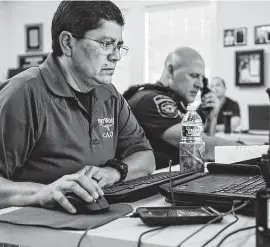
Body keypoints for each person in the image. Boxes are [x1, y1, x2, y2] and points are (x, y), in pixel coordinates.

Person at [0, 1, 155, 214]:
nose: (116, 56)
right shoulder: (23, 93)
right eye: (105, 43)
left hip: (92, 220)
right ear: (67, 43)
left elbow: (145, 156)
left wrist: (113, 172)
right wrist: (42, 193)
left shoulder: (108, 93)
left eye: (118, 45)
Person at [123, 47, 240, 170]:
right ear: (170, 71)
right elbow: (202, 146)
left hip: (171, 179)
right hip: (153, 184)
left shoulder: (175, 101)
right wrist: (254, 150)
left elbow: (199, 152)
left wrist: (212, 118)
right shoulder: (153, 100)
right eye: (194, 76)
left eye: (202, 78)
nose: (200, 84)